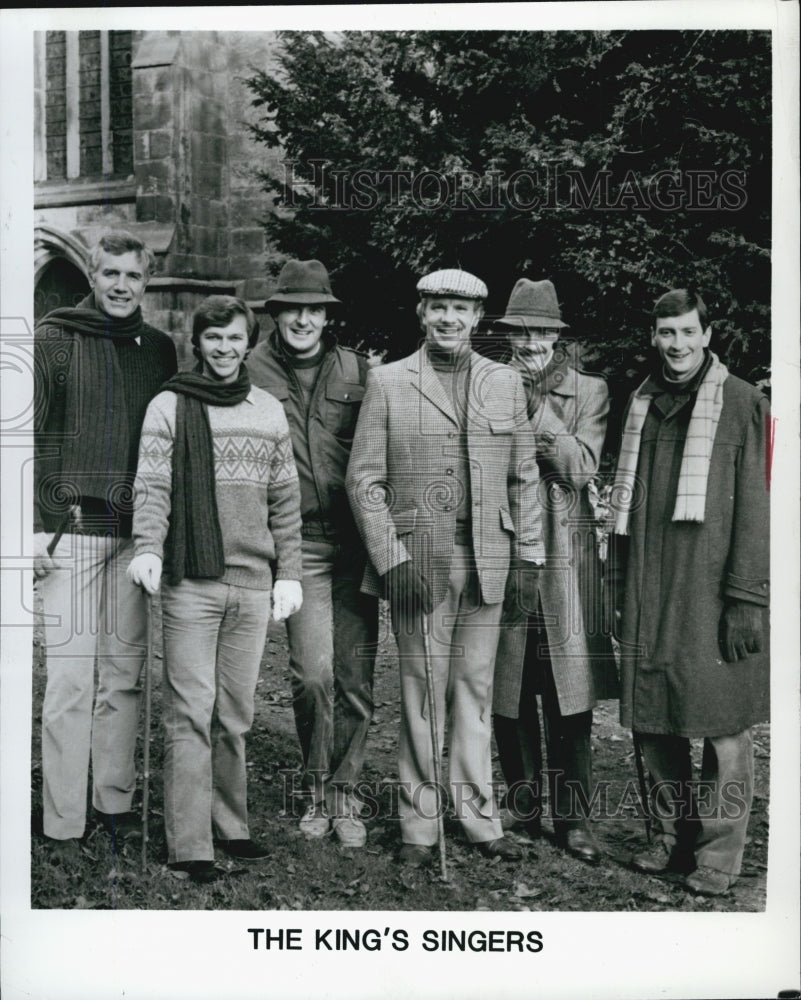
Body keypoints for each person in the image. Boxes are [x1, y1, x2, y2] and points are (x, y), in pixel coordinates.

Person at [346, 268, 545, 867]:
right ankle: (418, 826)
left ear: (479, 319)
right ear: (421, 313)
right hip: (418, 568)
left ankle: (479, 819)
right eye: (437, 308)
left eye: (460, 310)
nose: (449, 319)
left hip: (488, 561)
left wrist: (529, 558)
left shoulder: (504, 384)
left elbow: (524, 477)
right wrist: (391, 558)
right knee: (421, 695)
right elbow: (364, 479)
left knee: (474, 690)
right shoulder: (389, 381)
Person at [128, 295, 303, 883]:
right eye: (213, 339)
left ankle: (232, 825)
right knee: (190, 712)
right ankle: (190, 840)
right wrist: (148, 547)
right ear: (197, 342)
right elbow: (151, 485)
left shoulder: (268, 411)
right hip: (191, 585)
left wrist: (291, 573)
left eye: (234, 339)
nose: (224, 349)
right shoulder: (169, 406)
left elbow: (285, 501)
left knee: (235, 714)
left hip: (252, 586)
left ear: (247, 341)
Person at [607, 288, 769, 896]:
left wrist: (747, 598)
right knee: (656, 719)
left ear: (707, 335)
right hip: (652, 584)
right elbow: (623, 505)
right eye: (665, 333)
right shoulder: (641, 404)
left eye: (687, 333)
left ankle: (719, 858)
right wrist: (621, 587)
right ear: (654, 336)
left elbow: (758, 508)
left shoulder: (744, 403)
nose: (676, 345)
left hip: (715, 591)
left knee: (724, 727)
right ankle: (668, 839)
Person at [33, 230, 177, 863]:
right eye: (111, 273)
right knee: (68, 679)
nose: (122, 286)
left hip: (135, 540)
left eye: (134, 276)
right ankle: (62, 819)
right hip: (69, 533)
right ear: (92, 275)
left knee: (121, 678)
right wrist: (23, 536)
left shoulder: (160, 350)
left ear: (147, 282)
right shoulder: (53, 339)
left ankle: (113, 805)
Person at [248, 259, 378, 848]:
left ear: (328, 316)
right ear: (276, 314)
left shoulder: (360, 370)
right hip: (296, 547)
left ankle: (343, 795)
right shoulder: (249, 370)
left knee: (352, 677)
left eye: (315, 309)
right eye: (292, 308)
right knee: (311, 675)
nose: (304, 319)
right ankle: (315, 781)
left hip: (356, 544)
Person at [491, 279, 618, 864]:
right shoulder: (486, 384)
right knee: (509, 686)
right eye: (520, 332)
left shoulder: (589, 391)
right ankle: (522, 805)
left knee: (570, 692)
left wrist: (534, 410)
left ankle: (576, 819)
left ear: (557, 338)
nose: (530, 343)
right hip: (506, 550)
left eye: (541, 332)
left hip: (565, 561)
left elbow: (581, 470)